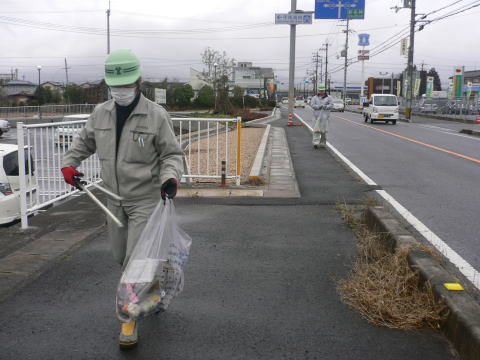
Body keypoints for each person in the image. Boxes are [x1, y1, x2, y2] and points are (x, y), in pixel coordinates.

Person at [61, 49, 184, 349]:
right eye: (115, 86)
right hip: (112, 197)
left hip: (145, 199)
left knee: (135, 260)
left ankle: (128, 319)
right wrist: (69, 164)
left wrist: (170, 177)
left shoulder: (156, 115)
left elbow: (171, 154)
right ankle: (149, 288)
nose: (121, 91)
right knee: (120, 255)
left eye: (126, 85)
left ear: (138, 81)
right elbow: (83, 142)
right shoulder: (100, 113)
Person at [309, 84, 333, 148]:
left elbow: (331, 105)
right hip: (316, 117)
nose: (321, 91)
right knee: (316, 130)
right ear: (318, 90)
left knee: (323, 131)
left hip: (325, 117)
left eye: (323, 90)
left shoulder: (329, 98)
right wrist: (318, 106)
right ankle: (315, 143)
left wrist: (326, 106)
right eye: (320, 90)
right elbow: (312, 105)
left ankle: (322, 143)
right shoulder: (314, 98)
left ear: (325, 90)